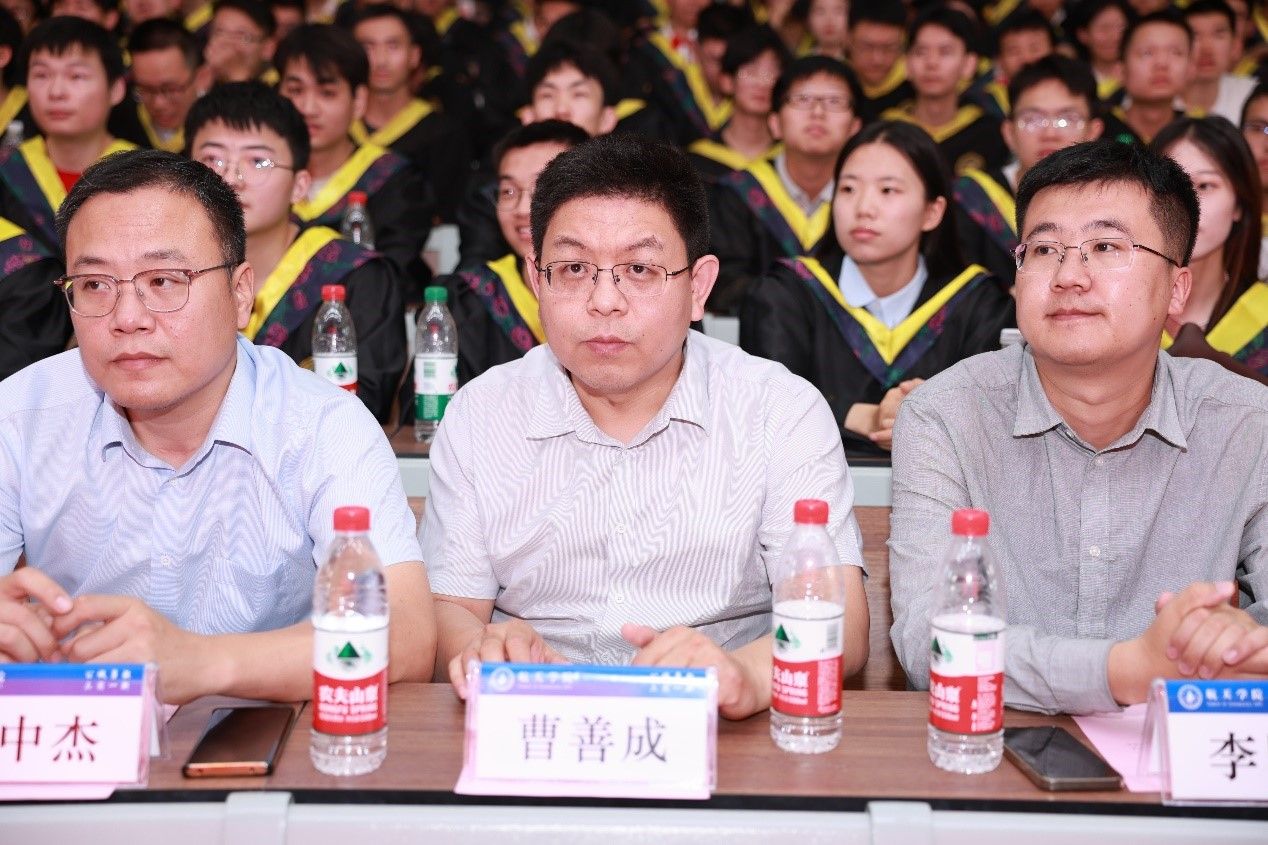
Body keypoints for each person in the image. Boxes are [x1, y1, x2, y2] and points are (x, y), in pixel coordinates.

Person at [420, 133, 869, 720]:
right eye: (574, 268)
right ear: (536, 281)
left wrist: (747, 676)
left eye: (639, 268)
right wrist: (482, 648)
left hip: (723, 731)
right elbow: (450, 608)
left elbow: (842, 625)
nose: (605, 300)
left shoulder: (779, 409)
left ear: (698, 287)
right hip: (535, 720)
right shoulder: (481, 413)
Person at [0, 149, 436, 703]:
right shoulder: (21, 415)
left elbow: (406, 636)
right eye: (94, 285)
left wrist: (201, 663)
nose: (127, 318)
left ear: (239, 292)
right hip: (80, 729)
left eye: (164, 281)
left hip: (266, 734)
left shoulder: (321, 425)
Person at [889, 139, 1268, 715]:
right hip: (994, 748)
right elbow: (931, 641)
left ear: (1176, 289)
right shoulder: (946, 416)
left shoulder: (1249, 424)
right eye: (1044, 249)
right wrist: (1128, 670)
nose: (1069, 275)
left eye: (1105, 247)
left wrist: (1236, 642)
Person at [742, 120, 1014, 457]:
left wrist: (941, 408)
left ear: (932, 212)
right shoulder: (784, 295)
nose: (863, 208)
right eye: (848, 189)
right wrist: (878, 417)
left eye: (887, 191)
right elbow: (767, 411)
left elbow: (994, 422)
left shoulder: (980, 305)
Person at [186, 81, 407, 421]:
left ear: (300, 185)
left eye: (258, 161)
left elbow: (363, 410)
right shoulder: (159, 275)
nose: (232, 178)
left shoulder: (357, 277)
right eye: (212, 159)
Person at [276, 23, 432, 295]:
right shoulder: (259, 176)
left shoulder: (394, 180)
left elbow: (392, 276)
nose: (308, 109)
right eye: (296, 91)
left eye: (327, 93)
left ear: (359, 100)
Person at [709, 55, 861, 316]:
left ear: (855, 127)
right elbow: (723, 285)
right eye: (802, 100)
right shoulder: (736, 193)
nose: (818, 113)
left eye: (834, 102)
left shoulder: (868, 202)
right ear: (775, 123)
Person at [441, 119, 588, 383]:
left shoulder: (626, 298)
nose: (522, 209)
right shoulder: (471, 299)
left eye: (542, 188)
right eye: (508, 191)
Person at [955, 55, 1104, 286]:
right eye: (1033, 119)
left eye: (1066, 120)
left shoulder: (1110, 202)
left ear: (1093, 131)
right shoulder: (970, 199)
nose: (1050, 134)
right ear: (1009, 132)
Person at [0, 17, 136, 256]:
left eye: (76, 76)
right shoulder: (8, 170)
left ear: (116, 89)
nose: (56, 92)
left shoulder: (148, 173)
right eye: (41, 75)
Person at [1153, 116, 1268, 381]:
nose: (1188, 204)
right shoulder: (1116, 312)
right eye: (1172, 186)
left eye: (1205, 186)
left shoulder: (1262, 314)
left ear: (1239, 205)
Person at [351, 3, 470, 221]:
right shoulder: (338, 131)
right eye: (368, 47)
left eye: (393, 46)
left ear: (414, 56)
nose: (381, 60)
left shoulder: (443, 133)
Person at [881, 5, 1007, 176]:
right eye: (921, 52)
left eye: (945, 52)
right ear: (906, 63)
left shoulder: (988, 133)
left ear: (969, 64)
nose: (932, 63)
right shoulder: (887, 129)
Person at [687, 25, 789, 185]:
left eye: (771, 73)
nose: (762, 83)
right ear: (727, 81)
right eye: (751, 71)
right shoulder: (697, 161)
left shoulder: (789, 161)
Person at [1100, 9, 1190, 145]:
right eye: (1147, 53)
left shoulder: (1200, 132)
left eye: (1175, 52)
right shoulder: (1097, 130)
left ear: (1191, 67)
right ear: (1121, 69)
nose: (1162, 63)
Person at [127, 19, 211, 153]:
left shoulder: (219, 130)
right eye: (145, 89)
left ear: (201, 78)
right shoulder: (121, 126)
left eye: (170, 89)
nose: (158, 104)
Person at [967, 9, 1054, 119]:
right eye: (1014, 51)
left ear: (1054, 52)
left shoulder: (1072, 90)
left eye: (1034, 49)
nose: (1026, 59)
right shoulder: (984, 101)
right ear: (999, 60)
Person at [1183, 0, 1257, 124]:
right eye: (1195, 35)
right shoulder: (1160, 97)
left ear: (1235, 45)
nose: (1206, 49)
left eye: (1218, 35)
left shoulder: (1252, 96)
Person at [846, 0, 910, 122]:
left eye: (889, 47)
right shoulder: (834, 85)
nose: (877, 60)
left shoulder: (918, 85)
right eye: (867, 47)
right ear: (848, 38)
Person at [204, 0, 279, 85]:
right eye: (219, 33)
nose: (227, 43)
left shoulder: (279, 86)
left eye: (241, 36)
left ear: (268, 48)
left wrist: (236, 76)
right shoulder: (198, 80)